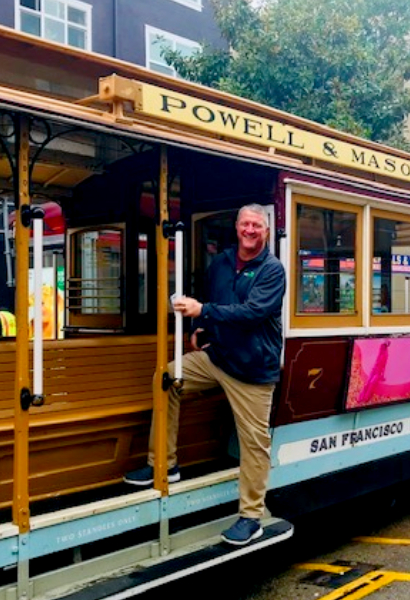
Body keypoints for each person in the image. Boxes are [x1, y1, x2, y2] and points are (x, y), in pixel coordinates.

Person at [124, 204, 286, 547]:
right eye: (245, 223)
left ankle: (251, 516)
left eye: (257, 225)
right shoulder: (222, 263)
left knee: (254, 444)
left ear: (266, 231)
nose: (251, 230)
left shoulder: (273, 270)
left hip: (253, 370)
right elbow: (214, 301)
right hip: (218, 357)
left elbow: (253, 313)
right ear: (237, 226)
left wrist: (204, 311)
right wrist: (200, 327)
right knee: (166, 378)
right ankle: (163, 465)